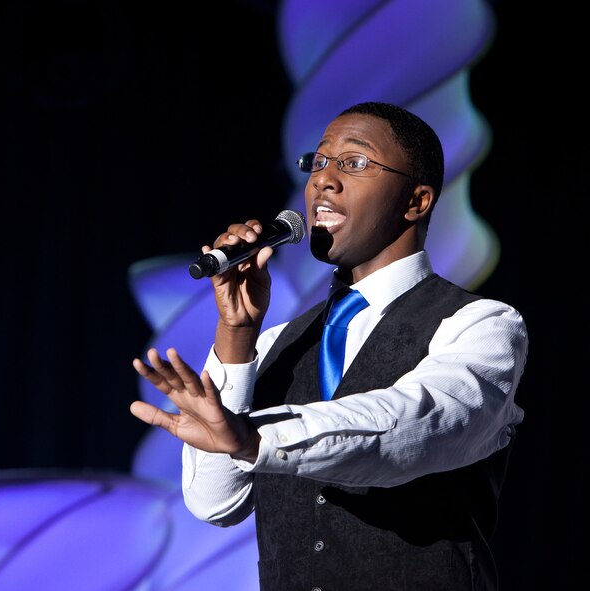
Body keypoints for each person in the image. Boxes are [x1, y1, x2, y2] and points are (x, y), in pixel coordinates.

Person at [130, 101, 528, 591]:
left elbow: (414, 425)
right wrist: (236, 336)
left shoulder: (479, 325)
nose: (324, 180)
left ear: (416, 201)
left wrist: (254, 437)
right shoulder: (279, 344)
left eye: (353, 163)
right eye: (318, 162)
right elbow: (215, 502)